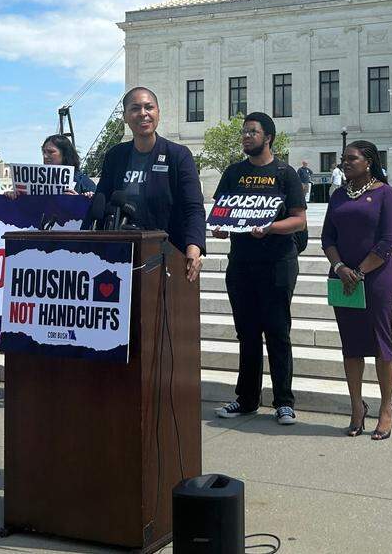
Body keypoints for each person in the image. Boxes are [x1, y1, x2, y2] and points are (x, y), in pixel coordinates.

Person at [213, 112, 307, 425]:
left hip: (278, 264)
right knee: (247, 334)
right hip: (241, 264)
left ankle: (284, 401)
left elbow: (299, 219)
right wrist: (221, 227)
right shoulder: (233, 173)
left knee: (278, 333)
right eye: (243, 132)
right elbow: (221, 214)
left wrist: (270, 226)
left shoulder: (285, 173)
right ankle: (247, 399)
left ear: (268, 137)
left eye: (252, 132)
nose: (245, 137)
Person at [322, 140, 392, 441]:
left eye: (351, 158)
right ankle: (357, 407)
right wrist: (341, 268)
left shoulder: (385, 193)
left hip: (377, 277)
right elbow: (327, 237)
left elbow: (389, 239)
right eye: (344, 158)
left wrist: (359, 271)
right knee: (351, 344)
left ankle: (385, 409)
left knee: (381, 341)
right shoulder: (339, 195)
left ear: (368, 162)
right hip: (343, 278)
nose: (345, 162)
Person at [89, 87, 204, 281]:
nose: (143, 113)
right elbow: (100, 202)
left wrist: (194, 248)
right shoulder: (115, 156)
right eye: (135, 108)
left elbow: (193, 208)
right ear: (125, 116)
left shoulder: (178, 155)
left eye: (149, 107)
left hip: (165, 256)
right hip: (119, 256)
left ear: (158, 112)